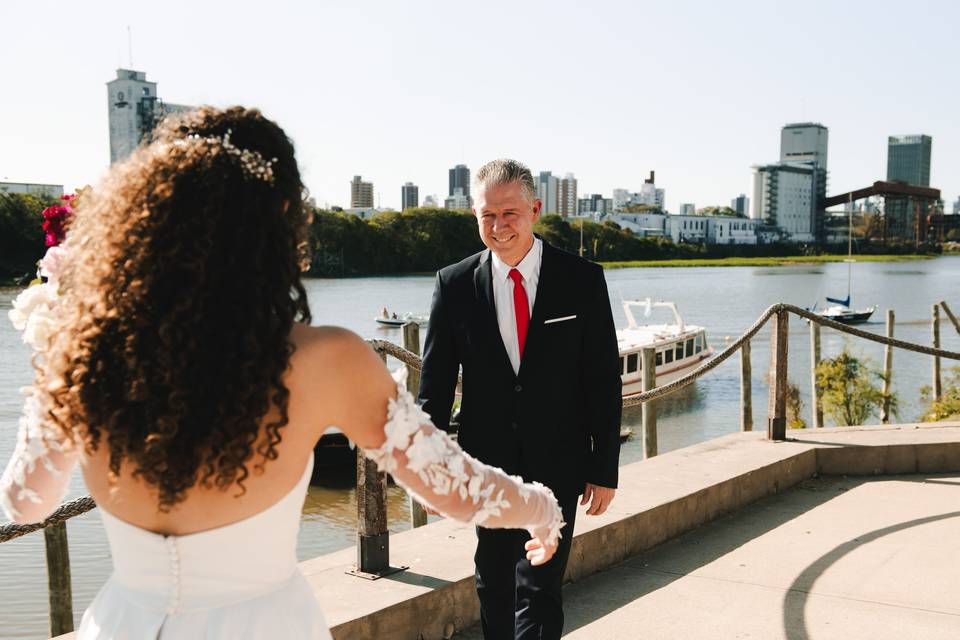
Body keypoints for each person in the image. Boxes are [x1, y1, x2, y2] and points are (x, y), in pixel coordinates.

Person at [0, 108, 563, 639]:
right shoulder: (325, 358)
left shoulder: (83, 347)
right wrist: (540, 507)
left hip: (125, 622)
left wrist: (56, 364)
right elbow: (453, 489)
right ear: (277, 226)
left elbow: (25, 502)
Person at [418, 159, 623, 639]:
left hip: (558, 464)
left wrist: (604, 467)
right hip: (486, 466)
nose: (499, 226)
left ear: (534, 209)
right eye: (487, 215)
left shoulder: (582, 280)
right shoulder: (452, 286)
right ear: (474, 216)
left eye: (509, 213)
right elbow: (434, 389)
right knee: (493, 584)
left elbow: (601, 380)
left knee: (539, 587)